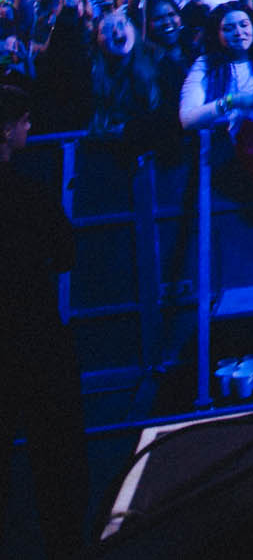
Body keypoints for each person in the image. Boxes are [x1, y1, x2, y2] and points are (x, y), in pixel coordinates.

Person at [0, 78, 91, 557]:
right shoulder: (31, 195)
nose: (30, 127)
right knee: (56, 457)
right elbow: (65, 256)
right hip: (36, 339)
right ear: (7, 130)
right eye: (24, 120)